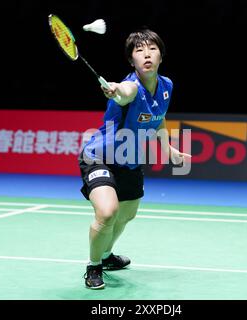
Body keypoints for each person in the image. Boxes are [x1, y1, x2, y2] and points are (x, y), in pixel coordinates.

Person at [78, 28, 191, 289]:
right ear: (132, 61)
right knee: (108, 212)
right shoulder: (131, 86)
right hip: (101, 156)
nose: (146, 54)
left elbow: (159, 116)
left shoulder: (166, 86)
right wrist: (116, 89)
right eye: (139, 51)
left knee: (126, 215)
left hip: (130, 160)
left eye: (152, 49)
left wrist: (168, 148)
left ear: (161, 56)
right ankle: (93, 267)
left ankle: (106, 257)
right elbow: (124, 92)